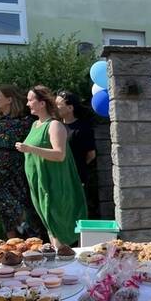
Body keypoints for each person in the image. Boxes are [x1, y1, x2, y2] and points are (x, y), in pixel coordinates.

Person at [14, 85, 88, 248]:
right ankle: (59, 256)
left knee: (58, 225)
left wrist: (30, 149)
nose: (27, 104)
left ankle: (64, 257)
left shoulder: (54, 125)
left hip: (54, 185)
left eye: (30, 100)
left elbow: (59, 154)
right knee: (49, 225)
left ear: (42, 103)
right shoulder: (35, 125)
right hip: (39, 185)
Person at [0, 84, 42, 238]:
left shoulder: (25, 122)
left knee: (21, 207)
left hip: (17, 172)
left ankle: (35, 240)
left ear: (9, 99)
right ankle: (12, 245)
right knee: (4, 209)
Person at [54, 89, 97, 217]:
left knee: (77, 211)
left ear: (70, 108)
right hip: (58, 176)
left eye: (58, 105)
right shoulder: (55, 127)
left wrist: (76, 167)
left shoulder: (83, 128)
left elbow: (91, 155)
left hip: (76, 178)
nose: (55, 108)